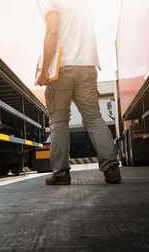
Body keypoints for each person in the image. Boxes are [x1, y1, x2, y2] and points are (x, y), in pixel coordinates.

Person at [37, 0, 121, 185]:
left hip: (62, 69)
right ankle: (112, 169)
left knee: (59, 122)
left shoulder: (53, 3)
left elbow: (52, 32)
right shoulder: (84, 5)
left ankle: (61, 174)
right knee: (93, 117)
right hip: (87, 67)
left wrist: (44, 72)